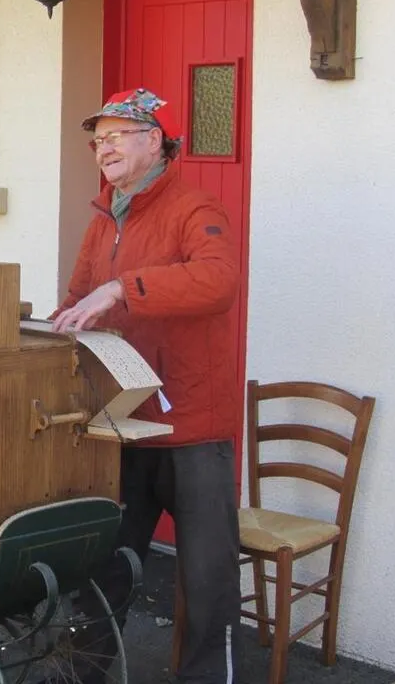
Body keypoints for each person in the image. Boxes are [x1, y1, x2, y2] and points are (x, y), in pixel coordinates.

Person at [50, 87, 242, 683]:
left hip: (191, 427)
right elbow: (79, 297)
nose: (102, 148)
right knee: (106, 566)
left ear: (153, 141)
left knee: (207, 581)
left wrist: (123, 288)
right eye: (97, 139)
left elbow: (218, 283)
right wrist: (52, 331)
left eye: (115, 136)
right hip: (124, 421)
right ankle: (84, 674)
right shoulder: (103, 216)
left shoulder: (194, 208)